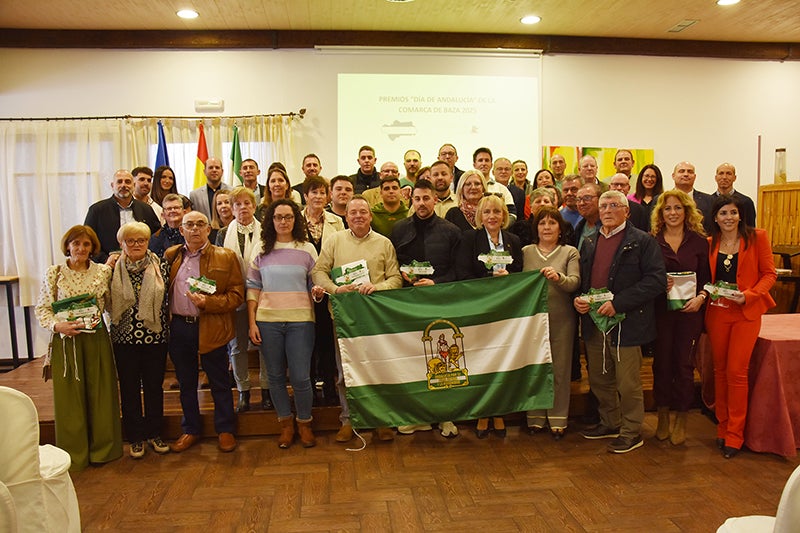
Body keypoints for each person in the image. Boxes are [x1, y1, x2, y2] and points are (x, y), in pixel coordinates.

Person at [573, 190, 666, 454]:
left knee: (627, 383)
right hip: (594, 322)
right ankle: (610, 422)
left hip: (628, 323)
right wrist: (580, 299)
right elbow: (585, 280)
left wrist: (619, 303)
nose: (607, 210)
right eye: (603, 205)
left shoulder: (642, 242)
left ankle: (631, 431)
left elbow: (656, 281)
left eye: (614, 205)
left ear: (627, 211)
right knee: (601, 379)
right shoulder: (590, 241)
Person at [311, 196, 402, 443]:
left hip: (376, 318)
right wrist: (335, 289)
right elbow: (318, 271)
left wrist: (378, 287)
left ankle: (380, 420)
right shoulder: (334, 241)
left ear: (370, 216)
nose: (358, 216)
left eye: (363, 212)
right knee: (345, 372)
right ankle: (348, 420)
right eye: (353, 213)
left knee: (378, 369)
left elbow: (396, 278)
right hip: (344, 318)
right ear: (346, 217)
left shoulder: (384, 243)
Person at [34, 225, 123, 471]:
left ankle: (103, 450)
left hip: (95, 338)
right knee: (70, 398)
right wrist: (57, 326)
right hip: (67, 341)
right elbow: (42, 308)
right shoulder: (54, 273)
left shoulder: (103, 272)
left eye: (86, 244)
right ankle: (73, 454)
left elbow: (110, 305)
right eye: (76, 244)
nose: (81, 249)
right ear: (68, 246)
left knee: (101, 394)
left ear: (93, 247)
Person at [247, 199, 325, 449]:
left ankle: (304, 422)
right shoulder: (261, 249)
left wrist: (317, 292)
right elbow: (252, 288)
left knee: (302, 377)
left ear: (295, 219)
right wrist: (252, 323)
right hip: (267, 321)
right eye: (278, 217)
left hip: (301, 321)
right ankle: (285, 424)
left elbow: (314, 283)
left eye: (288, 217)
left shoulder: (307, 249)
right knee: (276, 377)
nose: (283, 221)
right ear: (271, 220)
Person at [165, 211, 244, 454]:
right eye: (190, 225)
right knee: (186, 382)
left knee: (219, 382)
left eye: (201, 224)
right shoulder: (172, 256)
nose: (195, 229)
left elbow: (237, 295)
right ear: (181, 229)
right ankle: (190, 429)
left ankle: (225, 430)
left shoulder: (226, 256)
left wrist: (208, 304)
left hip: (212, 326)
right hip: (179, 327)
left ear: (209, 230)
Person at [706, 194, 776, 459]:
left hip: (746, 312)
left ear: (740, 215)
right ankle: (722, 429)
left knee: (737, 372)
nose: (729, 218)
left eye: (733, 213)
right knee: (720, 371)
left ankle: (736, 434)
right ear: (715, 217)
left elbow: (769, 274)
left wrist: (750, 295)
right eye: (723, 213)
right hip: (717, 313)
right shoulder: (710, 243)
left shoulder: (757, 237)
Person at [456, 194, 523, 439]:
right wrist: (489, 280)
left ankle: (499, 412)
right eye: (487, 212)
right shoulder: (470, 239)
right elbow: (462, 275)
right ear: (480, 217)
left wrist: (510, 278)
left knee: (502, 359)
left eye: (497, 212)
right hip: (480, 310)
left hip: (506, 312)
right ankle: (483, 412)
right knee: (482, 361)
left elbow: (521, 273)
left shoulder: (514, 241)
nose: (492, 216)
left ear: (504, 215)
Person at [649, 190, 710, 446]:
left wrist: (701, 298)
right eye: (667, 209)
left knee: (684, 367)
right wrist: (658, 283)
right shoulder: (652, 241)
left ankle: (682, 418)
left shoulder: (699, 242)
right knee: (661, 365)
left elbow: (707, 279)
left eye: (677, 208)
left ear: (686, 211)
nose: (672, 213)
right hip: (661, 313)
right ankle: (662, 415)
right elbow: (646, 276)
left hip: (690, 315)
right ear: (661, 214)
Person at [108, 222, 170, 459]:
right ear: (121, 244)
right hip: (124, 338)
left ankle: (155, 433)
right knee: (129, 388)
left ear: (147, 242)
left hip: (155, 337)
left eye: (141, 240)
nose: (136, 245)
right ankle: (135, 437)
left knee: (154, 388)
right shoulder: (112, 268)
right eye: (130, 241)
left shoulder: (160, 264)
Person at [522, 207, 580, 439]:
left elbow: (574, 283)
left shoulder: (570, 252)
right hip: (532, 322)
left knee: (560, 369)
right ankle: (534, 417)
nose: (547, 227)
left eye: (552, 223)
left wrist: (559, 277)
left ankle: (558, 418)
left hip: (561, 319)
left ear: (560, 228)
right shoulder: (526, 251)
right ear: (536, 228)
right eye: (542, 223)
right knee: (535, 368)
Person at [215, 186, 269, 413]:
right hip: (235, 297)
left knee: (265, 345)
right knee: (236, 347)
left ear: (254, 206)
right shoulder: (221, 234)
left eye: (247, 203)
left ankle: (267, 391)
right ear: (231, 208)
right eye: (237, 204)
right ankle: (243, 391)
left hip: (263, 295)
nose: (243, 208)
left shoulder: (266, 230)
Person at [302, 176, 345, 405]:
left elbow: (341, 252)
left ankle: (329, 386)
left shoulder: (337, 221)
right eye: (313, 192)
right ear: (305, 195)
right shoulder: (296, 220)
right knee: (306, 341)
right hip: (302, 289)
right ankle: (308, 387)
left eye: (322, 193)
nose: (318, 197)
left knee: (327, 340)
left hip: (328, 288)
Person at [84, 169, 160, 263]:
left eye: (128, 182)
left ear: (134, 185)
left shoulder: (146, 209)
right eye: (119, 182)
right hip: (107, 266)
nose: (123, 185)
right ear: (112, 186)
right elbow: (87, 241)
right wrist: (105, 259)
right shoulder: (97, 210)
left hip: (141, 266)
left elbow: (156, 237)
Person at [672, 161, 714, 233]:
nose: (686, 174)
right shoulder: (661, 200)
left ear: (694, 177)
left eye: (690, 172)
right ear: (673, 176)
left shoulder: (709, 200)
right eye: (681, 171)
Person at [711, 163, 756, 228]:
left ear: (734, 178)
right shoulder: (708, 202)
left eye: (728, 174)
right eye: (721, 173)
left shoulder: (745, 202)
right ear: (716, 178)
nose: (724, 177)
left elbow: (750, 229)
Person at [189, 157, 231, 221]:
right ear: (204, 171)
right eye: (210, 168)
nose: (214, 170)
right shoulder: (194, 195)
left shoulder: (232, 191)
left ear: (222, 171)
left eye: (217, 167)